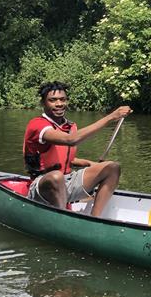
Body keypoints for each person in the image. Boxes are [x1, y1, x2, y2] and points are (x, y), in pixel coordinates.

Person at [23, 81, 132, 217]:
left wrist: (88, 163)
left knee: (112, 167)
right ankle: (63, 219)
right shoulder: (37, 125)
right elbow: (71, 140)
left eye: (62, 99)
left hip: (67, 180)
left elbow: (66, 158)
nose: (59, 104)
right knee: (56, 176)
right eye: (53, 100)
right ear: (43, 103)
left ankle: (95, 219)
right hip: (42, 185)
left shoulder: (69, 126)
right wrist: (110, 117)